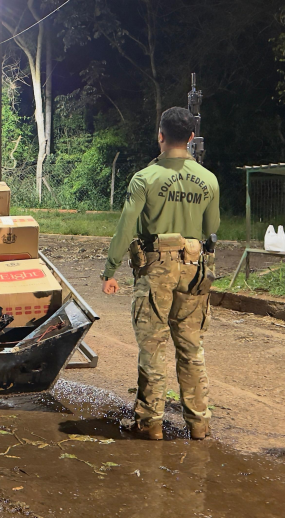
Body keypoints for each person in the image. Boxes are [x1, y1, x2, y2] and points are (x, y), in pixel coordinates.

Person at [101, 107, 220, 441]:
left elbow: (126, 227)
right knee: (191, 348)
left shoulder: (145, 178)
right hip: (195, 269)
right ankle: (199, 424)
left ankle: (150, 423)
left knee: (153, 347)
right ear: (191, 138)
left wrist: (110, 270)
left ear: (160, 135)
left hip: (156, 269)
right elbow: (211, 228)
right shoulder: (209, 180)